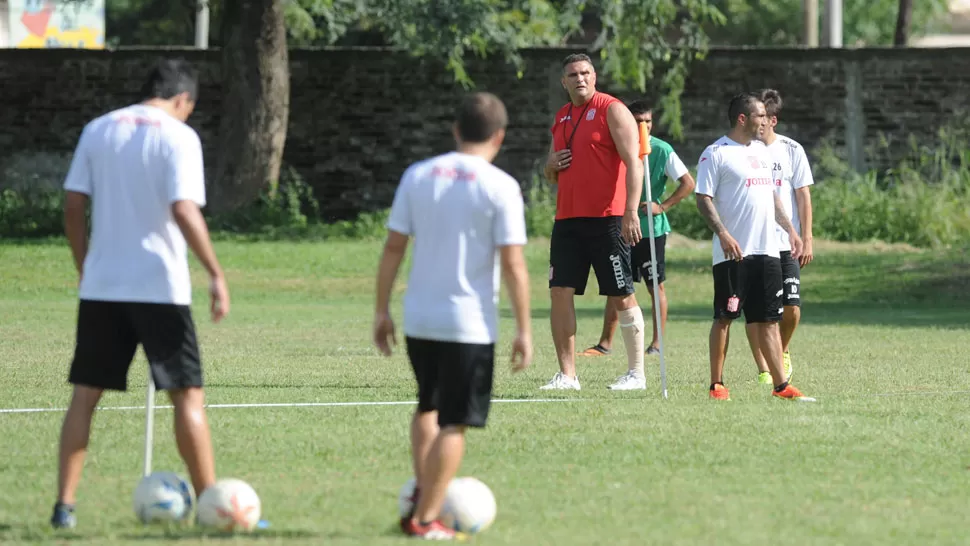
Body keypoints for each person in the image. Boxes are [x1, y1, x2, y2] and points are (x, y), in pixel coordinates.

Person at [52, 59, 228, 528]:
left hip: (103, 286)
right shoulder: (178, 136)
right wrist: (215, 272)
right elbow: (184, 208)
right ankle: (211, 503)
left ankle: (64, 507)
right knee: (187, 395)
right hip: (159, 286)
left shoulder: (98, 129)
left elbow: (73, 204)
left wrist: (85, 265)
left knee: (85, 396)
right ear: (182, 99)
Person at [373, 92, 532, 540]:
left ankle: (423, 497)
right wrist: (523, 328)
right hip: (468, 324)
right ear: (499, 136)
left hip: (420, 318)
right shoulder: (500, 186)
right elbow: (515, 265)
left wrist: (381, 311)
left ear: (456, 130)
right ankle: (425, 519)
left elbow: (392, 249)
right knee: (455, 421)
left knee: (428, 404)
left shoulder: (418, 175)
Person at [694, 92, 813, 402]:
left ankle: (780, 385)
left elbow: (773, 197)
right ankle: (716, 384)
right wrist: (722, 232)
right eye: (761, 115)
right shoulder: (716, 153)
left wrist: (791, 231)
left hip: (768, 252)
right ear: (742, 119)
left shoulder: (762, 152)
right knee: (725, 317)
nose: (767, 120)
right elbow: (702, 197)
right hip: (734, 253)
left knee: (769, 320)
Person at [540, 53, 647, 391]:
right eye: (573, 74)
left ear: (595, 76)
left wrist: (631, 211)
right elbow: (551, 173)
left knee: (621, 294)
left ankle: (636, 374)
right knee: (559, 291)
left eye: (585, 72)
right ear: (564, 81)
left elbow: (635, 163)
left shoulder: (612, 109)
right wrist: (550, 164)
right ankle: (568, 376)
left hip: (608, 219)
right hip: (568, 219)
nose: (580, 79)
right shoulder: (561, 117)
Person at [579, 100, 696, 359]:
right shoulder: (614, 145)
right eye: (637, 121)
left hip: (651, 232)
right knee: (617, 286)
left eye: (648, 121)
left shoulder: (662, 150)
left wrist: (662, 206)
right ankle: (604, 344)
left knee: (656, 287)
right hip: (619, 228)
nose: (643, 126)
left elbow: (688, 183)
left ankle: (656, 344)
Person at [745, 88, 815, 385]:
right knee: (758, 311)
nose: (757, 124)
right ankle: (764, 369)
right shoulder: (745, 149)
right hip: (754, 241)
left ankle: (781, 351)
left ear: (773, 120)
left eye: (762, 118)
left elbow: (802, 195)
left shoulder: (791, 150)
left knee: (792, 308)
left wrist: (807, 236)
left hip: (786, 243)